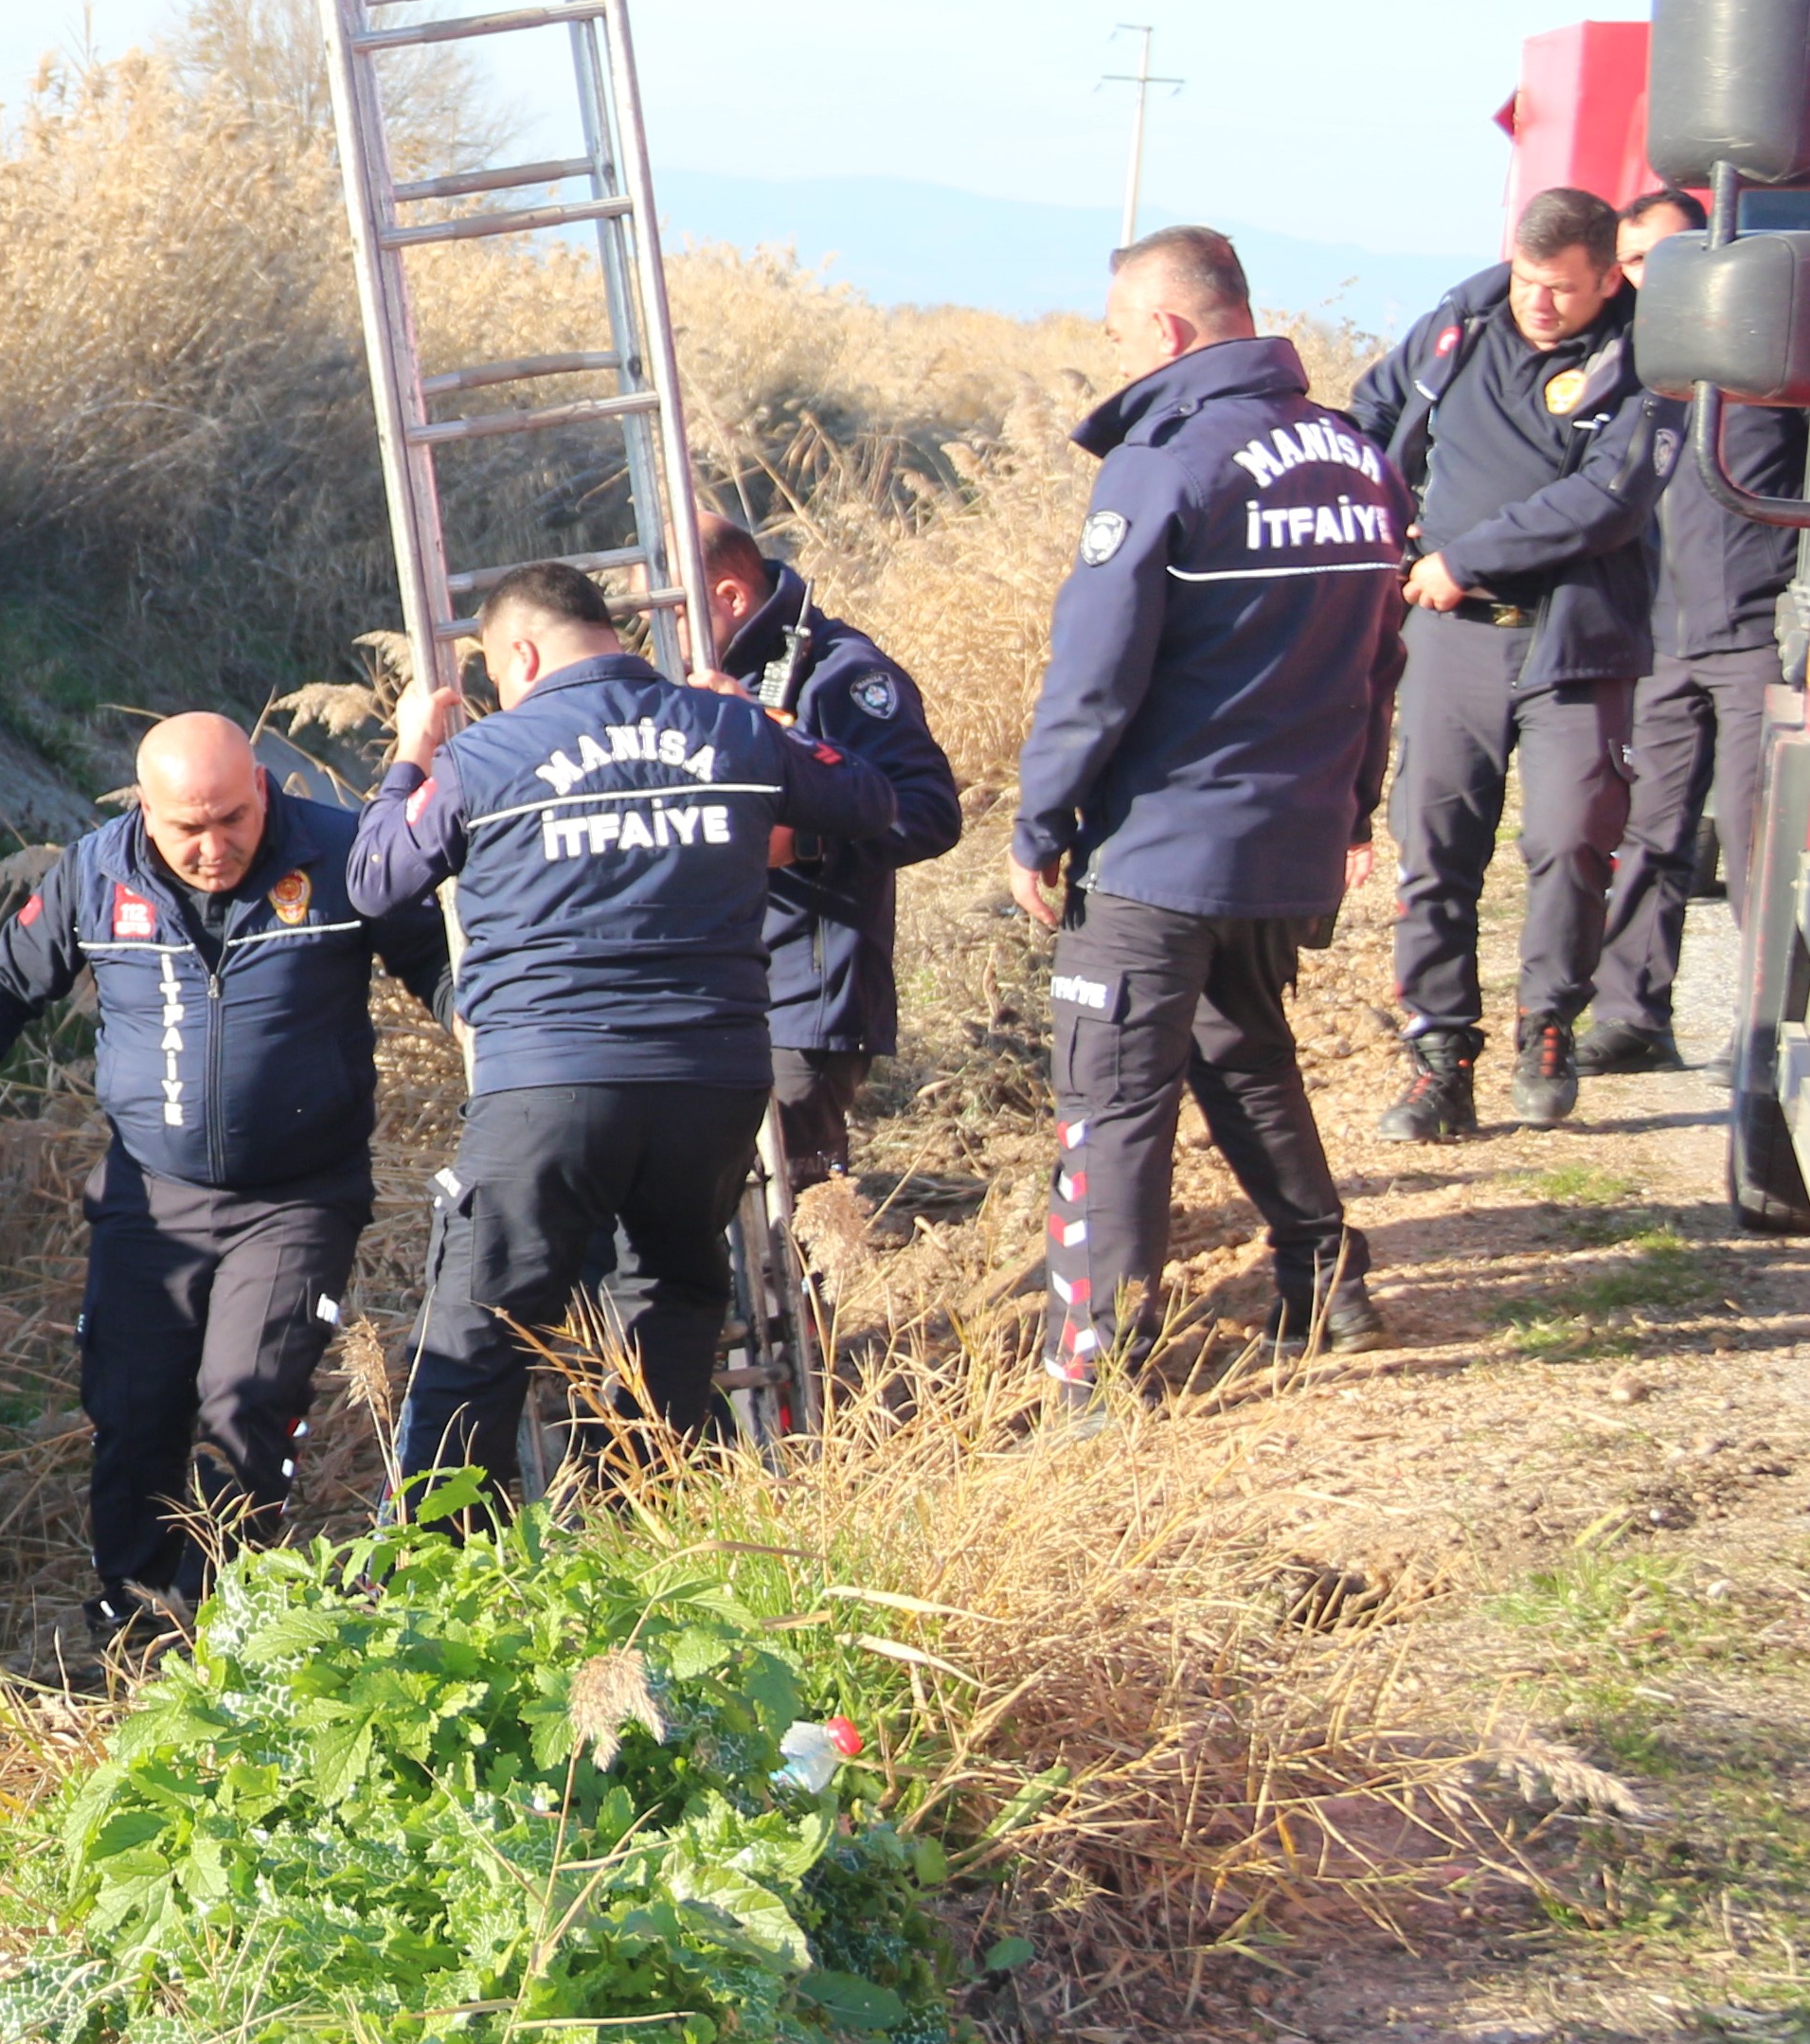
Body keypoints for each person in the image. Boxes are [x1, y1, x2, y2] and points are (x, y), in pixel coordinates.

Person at [348, 563, 899, 1510]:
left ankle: (434, 1576)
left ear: (517, 652)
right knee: (676, 1300)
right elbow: (874, 804)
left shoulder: (485, 758)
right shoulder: (725, 728)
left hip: (550, 1086)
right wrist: (774, 732)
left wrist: (409, 755)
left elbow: (372, 878)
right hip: (713, 1083)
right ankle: (636, 1532)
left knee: (481, 1326)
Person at [0, 714, 449, 1627]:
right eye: (187, 827)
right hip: (150, 1200)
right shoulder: (95, 871)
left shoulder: (343, 851)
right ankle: (140, 1632)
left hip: (297, 1198)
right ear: (143, 813)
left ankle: (240, 1627)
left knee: (244, 1402)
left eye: (233, 819)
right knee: (132, 1412)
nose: (213, 847)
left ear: (264, 790)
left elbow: (441, 968)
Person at [1012, 226, 1407, 1387]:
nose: (1116, 356)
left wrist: (1039, 824)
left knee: (1110, 1102)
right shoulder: (1355, 459)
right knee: (1242, 1052)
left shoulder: (1161, 464)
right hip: (1284, 840)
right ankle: (1326, 1284)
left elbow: (1092, 677)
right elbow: (1380, 662)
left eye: (1118, 334)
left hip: (1159, 849)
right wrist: (1348, 811)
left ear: (1168, 330)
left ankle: (1095, 1370)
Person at [1349, 185, 1680, 1136]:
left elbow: (1606, 502)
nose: (1540, 303)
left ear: (1607, 276)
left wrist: (1465, 558)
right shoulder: (1458, 325)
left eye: (1563, 289)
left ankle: (1548, 1023)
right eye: (1530, 281)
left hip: (1573, 637)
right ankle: (1440, 1054)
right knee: (1435, 849)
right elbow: (1372, 416)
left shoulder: (1647, 358)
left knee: (1572, 837)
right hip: (1449, 636)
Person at [1587, 185, 1803, 1073]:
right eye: (1635, 264)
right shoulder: (1626, 364)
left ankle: (1771, 1029)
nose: (1653, 279)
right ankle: (1634, 1017)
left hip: (1759, 629)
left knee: (1764, 839)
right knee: (1650, 830)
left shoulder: (1771, 353)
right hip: (1659, 631)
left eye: (1669, 258)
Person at [694, 515, 964, 1206]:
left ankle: (820, 1318)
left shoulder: (841, 672)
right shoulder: (711, 678)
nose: (659, 632)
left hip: (806, 998)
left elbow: (929, 809)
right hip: (721, 991)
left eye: (676, 606)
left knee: (799, 1220)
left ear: (728, 596)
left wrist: (803, 839)